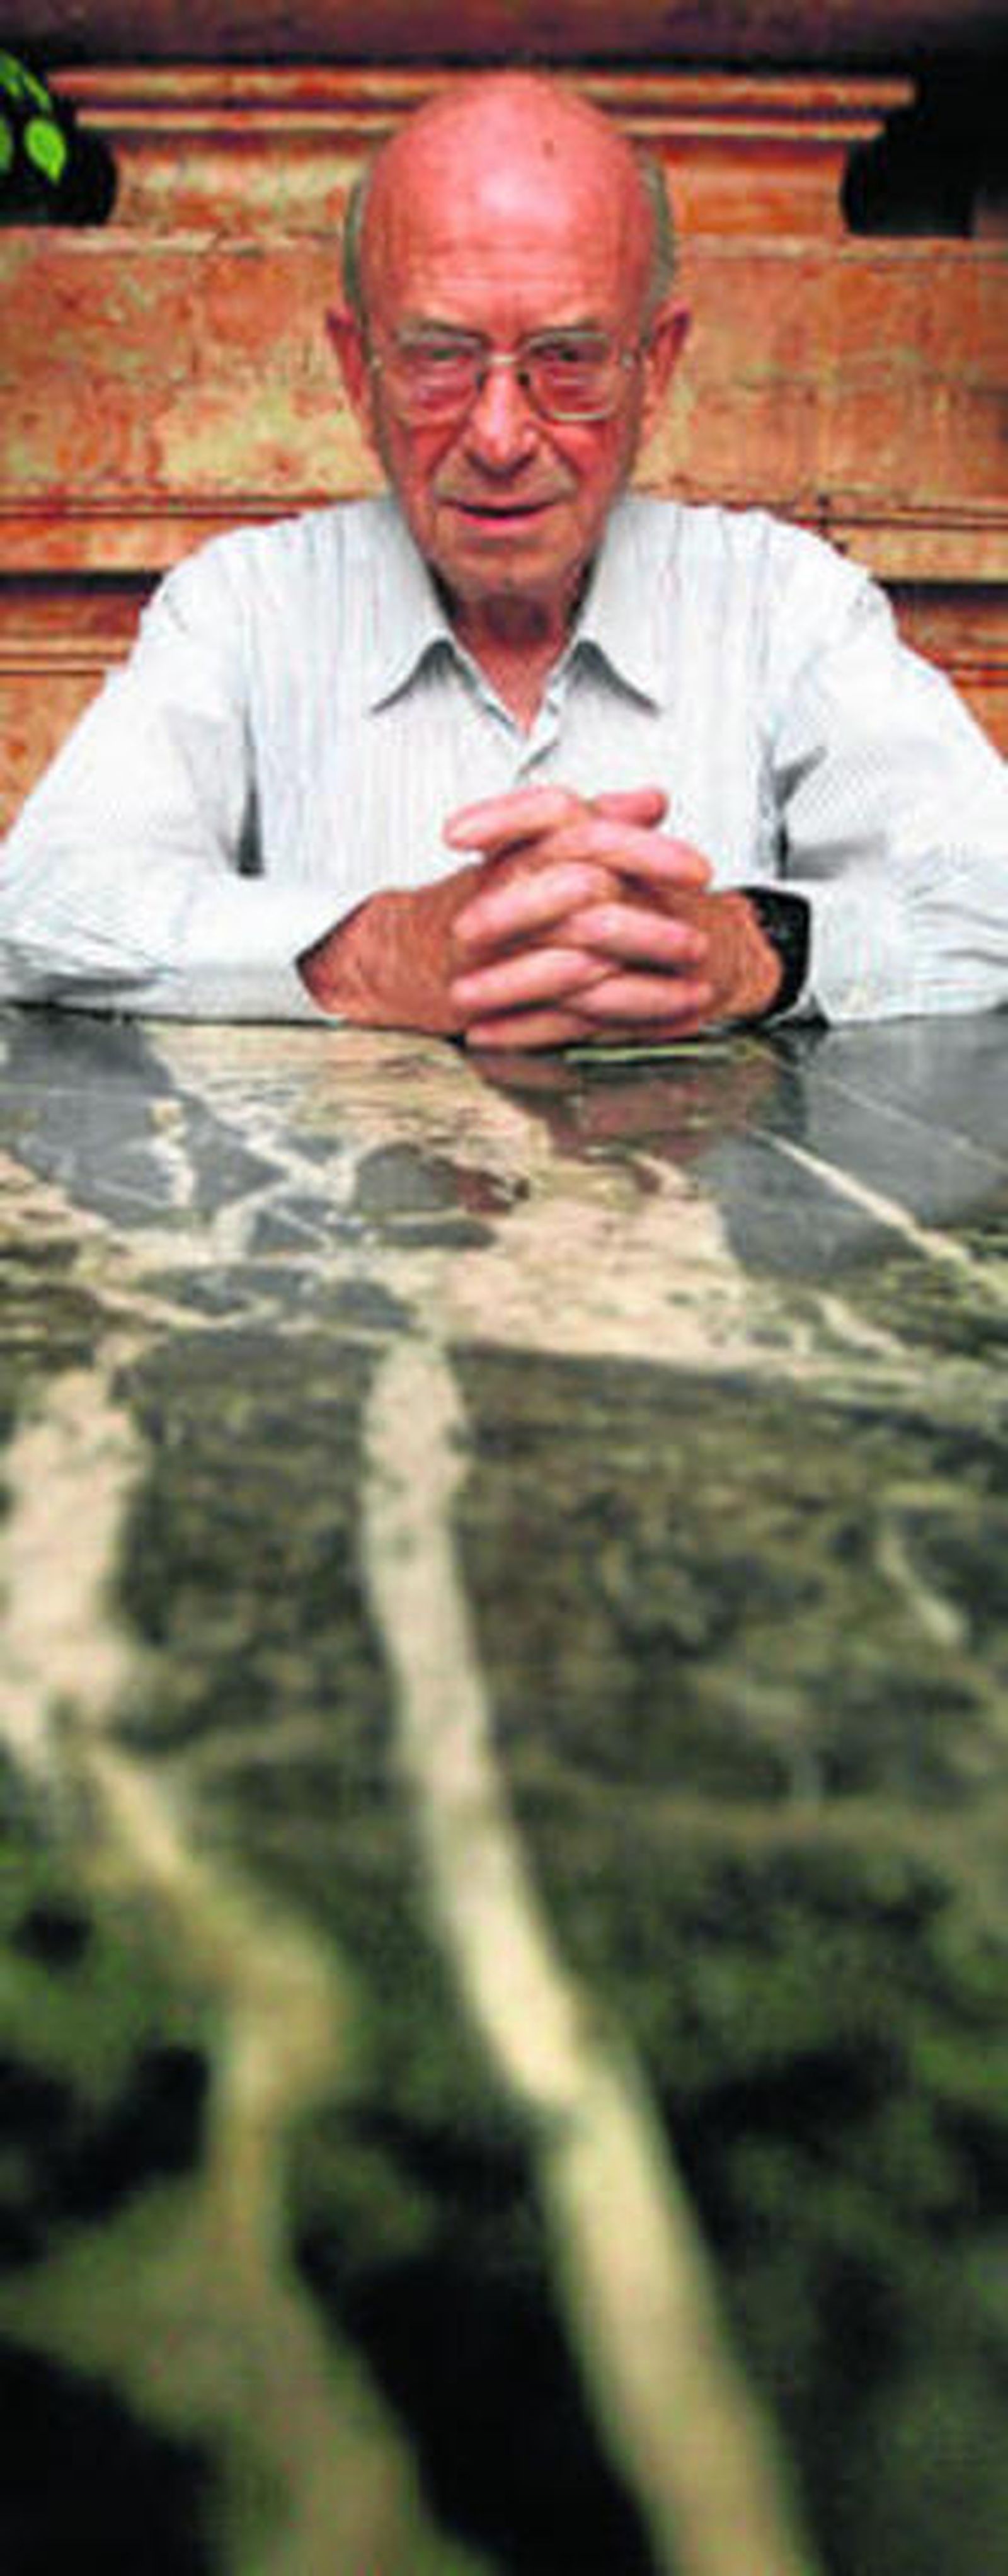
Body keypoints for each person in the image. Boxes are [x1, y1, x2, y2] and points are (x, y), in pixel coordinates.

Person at [1, 71, 1006, 1045]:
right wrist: (375, 952)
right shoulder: (242, 606)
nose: (498, 436)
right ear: (358, 370)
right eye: (438, 357)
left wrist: (746, 949)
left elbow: (988, 897)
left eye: (567, 360)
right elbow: (41, 910)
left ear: (655, 368)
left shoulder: (786, 603)